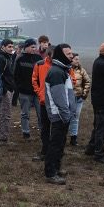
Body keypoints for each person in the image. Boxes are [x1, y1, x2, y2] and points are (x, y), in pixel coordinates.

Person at [43, 44, 77, 185]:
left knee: (60, 143)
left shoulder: (63, 70)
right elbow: (59, 98)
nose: (71, 56)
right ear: (61, 55)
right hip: (59, 115)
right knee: (55, 144)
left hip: (63, 115)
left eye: (71, 53)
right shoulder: (57, 72)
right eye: (68, 54)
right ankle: (50, 173)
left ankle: (56, 168)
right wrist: (66, 115)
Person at [85, 42, 104, 164]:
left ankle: (91, 148)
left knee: (98, 126)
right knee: (103, 128)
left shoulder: (99, 62)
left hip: (99, 100)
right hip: (103, 101)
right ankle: (99, 154)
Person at [13, 38, 42, 140]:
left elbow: (42, 75)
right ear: (26, 47)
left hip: (37, 92)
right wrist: (19, 87)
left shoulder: (39, 58)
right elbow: (15, 75)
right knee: (25, 113)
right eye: (32, 47)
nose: (34, 49)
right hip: (25, 92)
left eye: (35, 47)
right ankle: (26, 132)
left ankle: (43, 131)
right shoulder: (20, 59)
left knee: (41, 113)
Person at [31, 45, 54, 160]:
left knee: (56, 128)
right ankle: (45, 150)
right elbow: (34, 79)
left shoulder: (62, 66)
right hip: (44, 102)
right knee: (45, 127)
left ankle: (54, 150)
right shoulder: (39, 64)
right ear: (48, 55)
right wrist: (39, 93)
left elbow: (72, 79)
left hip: (56, 103)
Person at [0, 38, 16, 143]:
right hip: (5, 89)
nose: (12, 49)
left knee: (2, 113)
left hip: (9, 88)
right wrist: (4, 89)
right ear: (3, 47)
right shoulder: (2, 58)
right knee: (6, 114)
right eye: (9, 47)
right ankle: (3, 138)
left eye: (12, 46)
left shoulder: (8, 57)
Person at [68, 53, 91, 146]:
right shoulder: (66, 70)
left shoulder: (82, 70)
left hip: (78, 98)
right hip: (68, 98)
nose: (78, 61)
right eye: (76, 59)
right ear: (71, 60)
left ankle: (73, 138)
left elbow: (87, 81)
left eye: (78, 59)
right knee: (66, 117)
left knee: (75, 118)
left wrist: (84, 94)